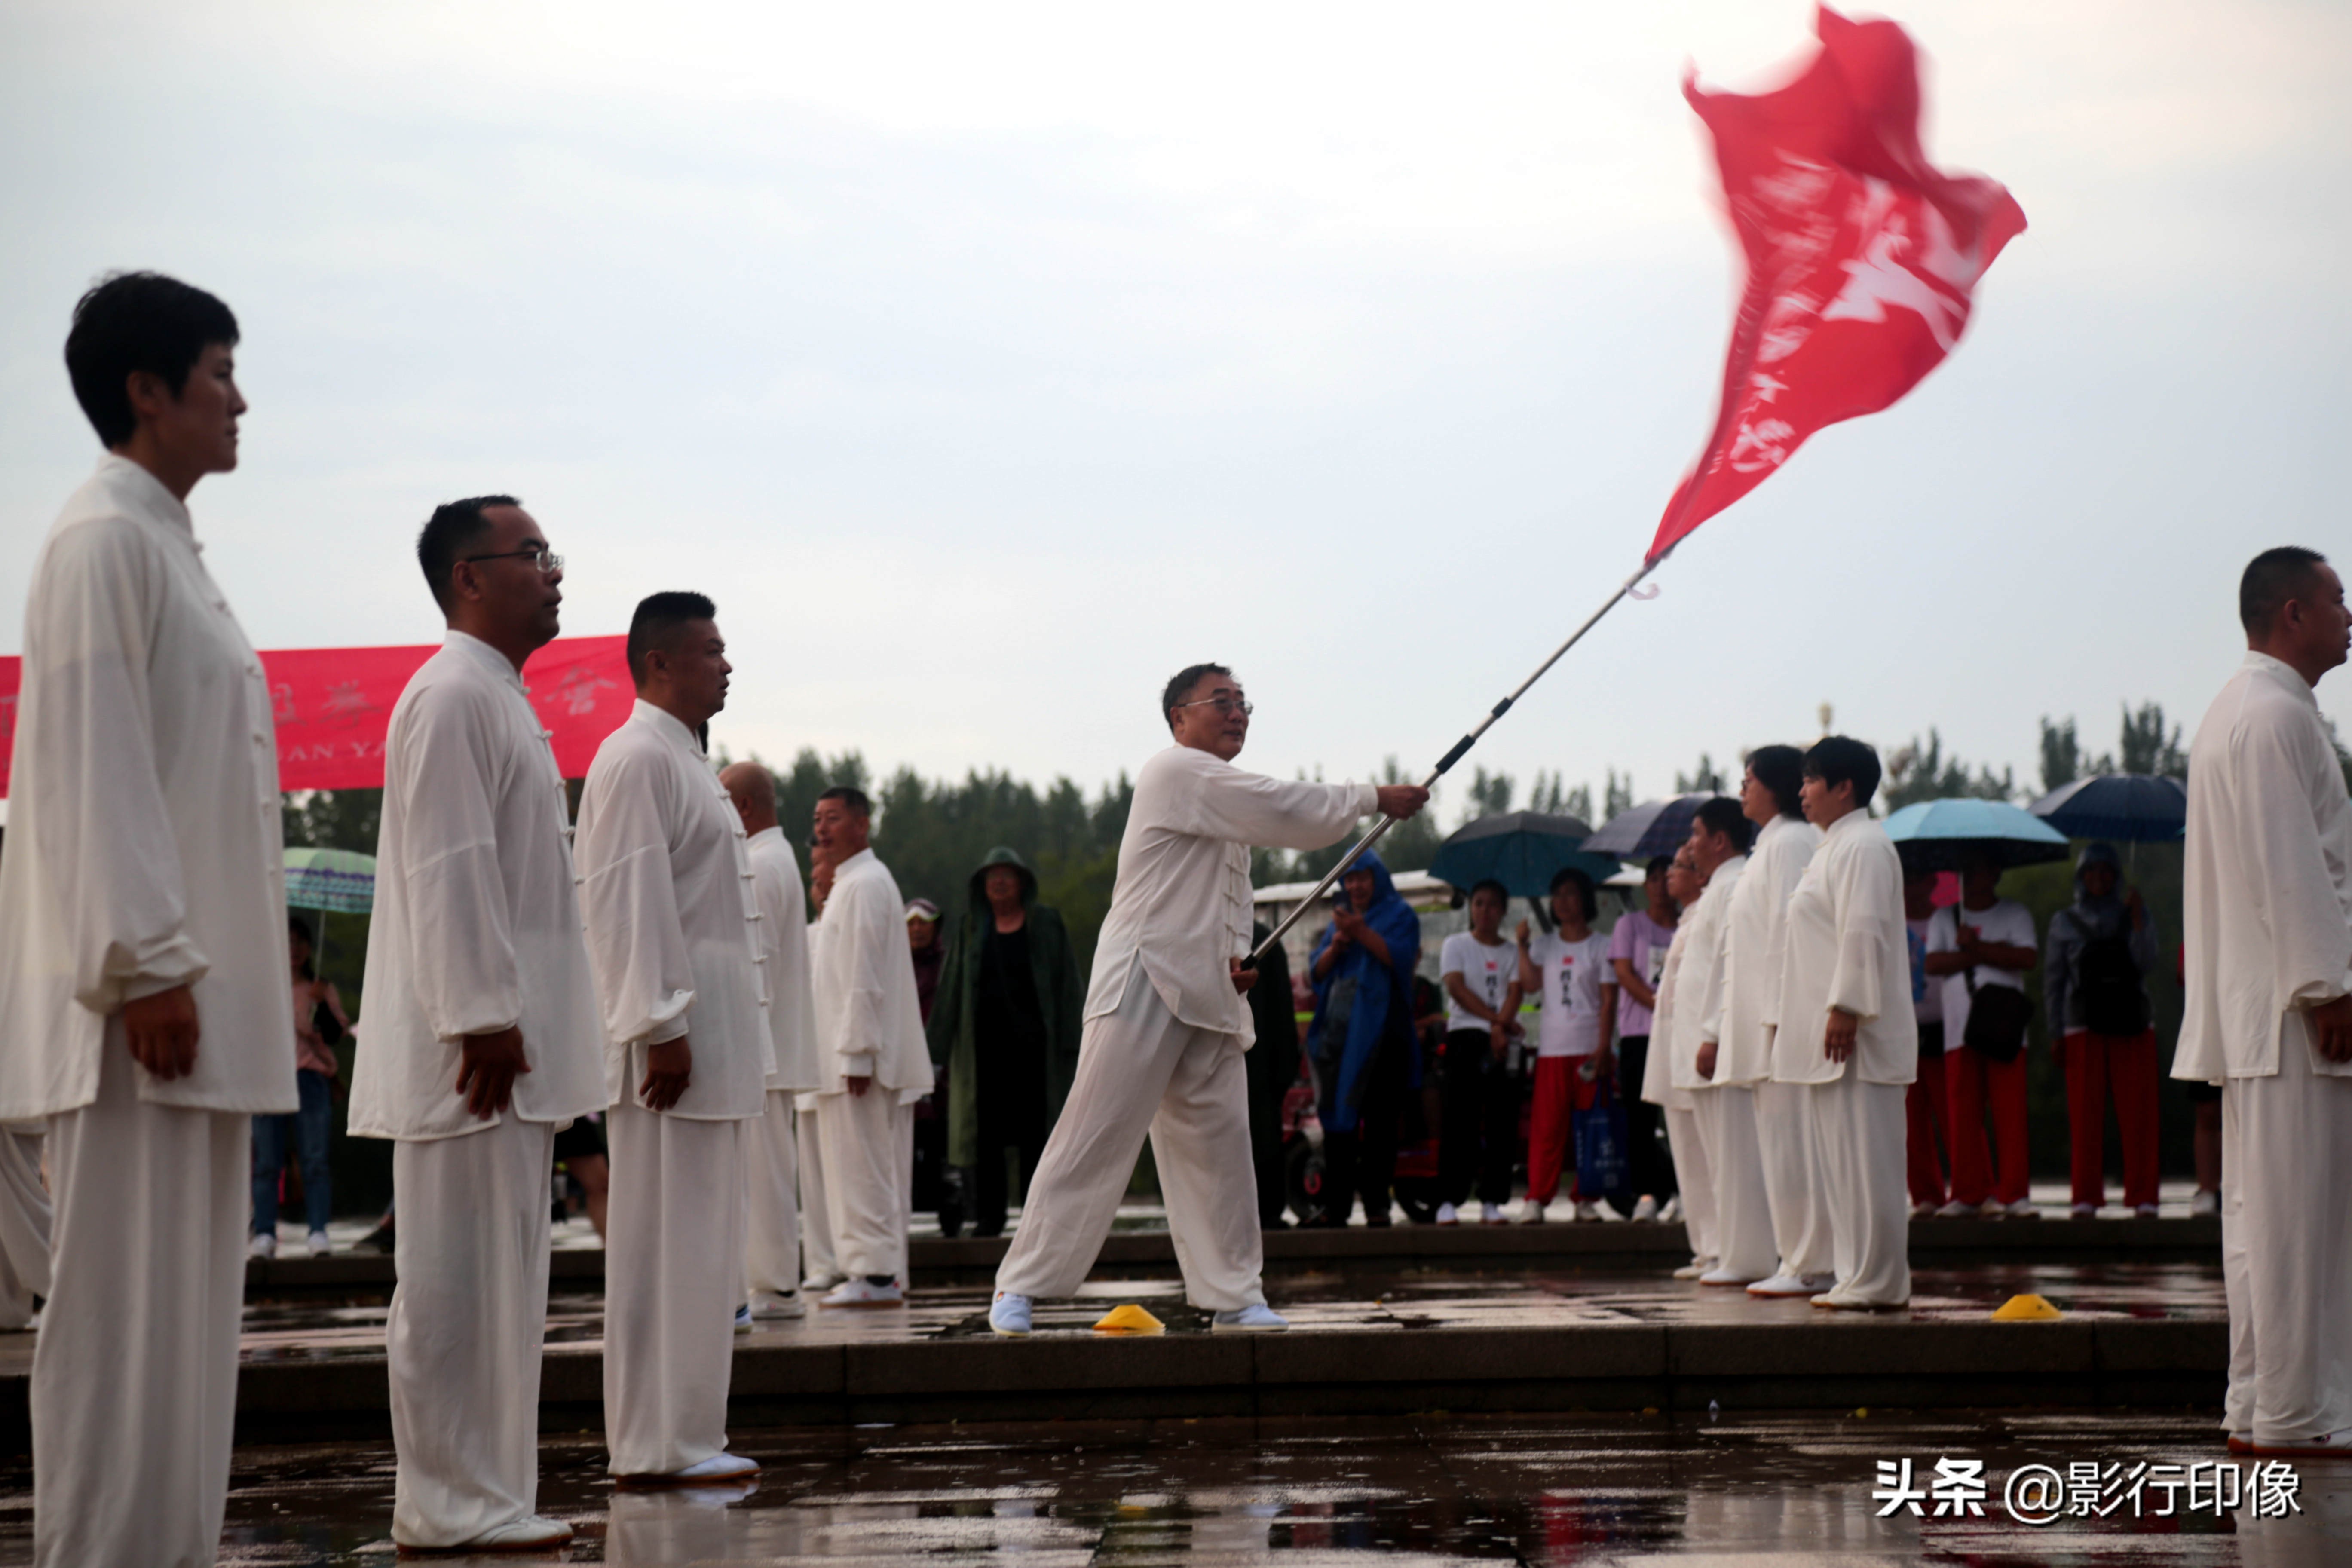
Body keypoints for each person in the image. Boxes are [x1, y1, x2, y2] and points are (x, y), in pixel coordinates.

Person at [0, 273, 297, 1568]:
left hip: (195, 1005)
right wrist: (148, 965)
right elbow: (87, 767)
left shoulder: (170, 543)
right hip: (137, 1012)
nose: (239, 397)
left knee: (187, 1329)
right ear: (146, 388)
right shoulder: (101, 539)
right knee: (123, 1326)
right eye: (219, 371)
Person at [988, 664, 1428, 1334]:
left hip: (1210, 995)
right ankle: (1020, 1286)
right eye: (1221, 701)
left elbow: (1222, 902)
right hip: (1142, 981)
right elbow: (1283, 807)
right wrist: (1371, 797)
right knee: (1096, 1134)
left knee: (1220, 1152)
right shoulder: (1174, 772)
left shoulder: (1223, 807)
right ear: (1178, 719)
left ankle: (1233, 1297)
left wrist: (1235, 962)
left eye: (1243, 702)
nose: (1237, 712)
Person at [346, 493, 610, 1552]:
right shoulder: (453, 693)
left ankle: (487, 1494)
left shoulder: (496, 695)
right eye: (532, 555)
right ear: (469, 577)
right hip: (474, 1056)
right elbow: (448, 866)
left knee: (504, 1290)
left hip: (508, 1048)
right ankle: (446, 1503)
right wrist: (479, 1016)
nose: (553, 571)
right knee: (455, 1293)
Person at [575, 592, 768, 1486]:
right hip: (674, 1051)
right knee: (662, 1248)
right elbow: (625, 896)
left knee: (702, 1249)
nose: (726, 664)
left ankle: (689, 1434)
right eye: (711, 651)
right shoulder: (634, 756)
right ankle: (653, 1442)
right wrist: (660, 1025)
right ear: (660, 662)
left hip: (715, 1043)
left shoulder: (689, 762)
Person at [2176, 546, 2352, 1457]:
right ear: (2292, 613)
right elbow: (2298, 868)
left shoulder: (2237, 711)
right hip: (2295, 1014)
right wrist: (2329, 986)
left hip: (2261, 1011)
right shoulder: (2276, 715)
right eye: (2337, 599)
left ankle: (2263, 1402)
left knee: (2262, 1227)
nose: (2348, 616)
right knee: (2302, 1229)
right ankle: (2299, 1413)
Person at [1772, 737, 1916, 1311]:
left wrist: (1846, 1007)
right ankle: (1856, 1275)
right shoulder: (1832, 848)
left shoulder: (1865, 846)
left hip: (1859, 1033)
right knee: (1842, 1164)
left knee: (1870, 1162)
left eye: (1811, 780)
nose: (1802, 791)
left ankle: (1881, 1279)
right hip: (1830, 1037)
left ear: (1844, 787)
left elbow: (1865, 930)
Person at [808, 787, 935, 1305]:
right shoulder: (849, 884)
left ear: (861, 824)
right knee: (850, 1168)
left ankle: (877, 1275)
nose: (822, 828)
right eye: (817, 819)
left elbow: (864, 977)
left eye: (833, 818)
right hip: (842, 1058)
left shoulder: (864, 884)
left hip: (857, 1061)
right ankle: (866, 1271)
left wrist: (857, 1051)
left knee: (864, 1168)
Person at [1716, 747, 1832, 1299]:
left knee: (1794, 1148)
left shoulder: (1790, 842)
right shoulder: (1771, 843)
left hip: (1781, 1019)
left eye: (1750, 780)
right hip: (1763, 1019)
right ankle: (1796, 1256)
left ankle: (1811, 1261)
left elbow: (1794, 936)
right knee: (1778, 1147)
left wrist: (1781, 1017)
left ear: (1776, 787)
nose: (1742, 789)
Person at [925, 848, 1082, 1239]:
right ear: (982, 885)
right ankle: (990, 1219)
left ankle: (1037, 1223)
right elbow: (950, 993)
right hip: (984, 1056)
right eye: (991, 875)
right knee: (987, 1141)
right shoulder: (969, 929)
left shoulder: (1046, 924)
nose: (999, 882)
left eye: (1007, 875)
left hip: (1035, 1056)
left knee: (1037, 1140)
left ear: (1022, 883)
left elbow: (1068, 986)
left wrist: (1075, 1043)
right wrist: (935, 1055)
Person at [719, 762, 822, 1321]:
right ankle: (776, 1283)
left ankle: (776, 1286)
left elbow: (757, 964)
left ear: (745, 809)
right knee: (769, 1175)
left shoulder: (758, 863)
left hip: (761, 1049)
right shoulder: (775, 858)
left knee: (763, 1179)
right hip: (770, 1046)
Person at [1675, 799, 1770, 1286]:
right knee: (1719, 1161)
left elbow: (1728, 969)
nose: (1690, 845)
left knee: (1736, 1159)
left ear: (1719, 839)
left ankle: (1747, 1256)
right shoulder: (1719, 887)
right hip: (1703, 1043)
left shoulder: (1734, 884)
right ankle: (1733, 1253)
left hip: (1720, 1044)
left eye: (1696, 833)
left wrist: (1712, 1033)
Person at [2046, 842, 2163, 1217]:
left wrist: (2139, 922)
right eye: (2091, 871)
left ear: (2115, 874)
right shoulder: (2064, 921)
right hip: (2082, 1023)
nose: (2098, 877)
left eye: (2105, 870)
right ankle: (2085, 1196)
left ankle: (2143, 1196)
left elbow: (2147, 962)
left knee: (2140, 1114)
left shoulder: (2134, 910)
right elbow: (2054, 980)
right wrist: (2055, 1032)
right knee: (2085, 1115)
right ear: (2082, 877)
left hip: (2132, 1021)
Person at [1307, 851, 1422, 1227]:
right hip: (1340, 1039)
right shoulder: (1339, 921)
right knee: (1337, 1123)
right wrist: (1336, 945)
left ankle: (1377, 1206)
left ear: (1378, 878)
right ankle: (1335, 1208)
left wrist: (1361, 933)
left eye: (1362, 878)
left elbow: (1401, 959)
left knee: (1380, 1124)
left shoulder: (1401, 915)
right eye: (1349, 879)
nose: (1355, 886)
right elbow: (1317, 973)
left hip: (1384, 1037)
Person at [1926, 853, 2039, 1219]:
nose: (1978, 874)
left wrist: (1973, 950)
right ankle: (1966, 1193)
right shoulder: (1945, 917)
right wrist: (1988, 954)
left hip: (2005, 1027)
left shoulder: (2015, 914)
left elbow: (2026, 957)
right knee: (1963, 1114)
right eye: (1970, 868)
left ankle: (2015, 1195)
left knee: (2010, 1114)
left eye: (1985, 866)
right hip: (1959, 1029)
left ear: (1996, 870)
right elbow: (1934, 963)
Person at [1515, 867, 1612, 1222]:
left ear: (1585, 900)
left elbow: (1608, 1002)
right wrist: (1523, 946)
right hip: (1553, 1049)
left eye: (1571, 894)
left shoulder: (1602, 945)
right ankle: (1537, 1199)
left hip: (1589, 1048)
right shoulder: (1544, 945)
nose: (1564, 902)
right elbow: (1529, 985)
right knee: (1548, 1127)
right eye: (1558, 896)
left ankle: (1585, 1198)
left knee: (1590, 1126)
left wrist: (1604, 1048)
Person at [252, 913, 349, 1259]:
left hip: (310, 1077)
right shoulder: (266, 985)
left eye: (300, 943)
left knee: (315, 1159)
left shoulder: (319, 988)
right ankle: (264, 1233)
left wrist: (321, 1004)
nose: (294, 950)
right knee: (266, 1161)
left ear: (309, 948)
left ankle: (318, 1231)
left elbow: (335, 1034)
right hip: (272, 1076)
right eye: (287, 943)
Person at [1642, 846, 1717, 1278]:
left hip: (1694, 1048)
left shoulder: (1704, 915)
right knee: (1687, 1153)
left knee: (1705, 1155)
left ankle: (1719, 1247)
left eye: (1679, 866)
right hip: (1673, 1044)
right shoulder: (1687, 921)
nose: (1670, 873)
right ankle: (1705, 1248)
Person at [1436, 879, 1526, 1225]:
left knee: (1502, 1122)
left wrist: (1500, 1028)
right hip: (1466, 1039)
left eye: (1491, 904)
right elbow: (1457, 989)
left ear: (1503, 910)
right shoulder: (1455, 945)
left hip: (1501, 1042)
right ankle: (1448, 1200)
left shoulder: (1511, 952)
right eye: (1478, 903)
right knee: (1460, 1120)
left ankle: (1493, 1200)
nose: (1484, 911)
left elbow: (1517, 991)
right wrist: (1498, 1024)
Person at [1608, 857, 1681, 1222]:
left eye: (1665, 877)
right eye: (1652, 878)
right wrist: (1659, 1004)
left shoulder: (1688, 924)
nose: (1659, 885)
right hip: (1640, 1034)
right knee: (1640, 1118)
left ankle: (1685, 1194)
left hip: (1680, 1033)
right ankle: (1647, 1194)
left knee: (1682, 1115)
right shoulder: (1630, 925)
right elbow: (1624, 973)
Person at [1901, 870, 1951, 1216]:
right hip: (1903, 1030)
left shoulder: (1946, 921)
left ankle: (1972, 1188)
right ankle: (1926, 1194)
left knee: (1954, 1114)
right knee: (1911, 1120)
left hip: (1944, 1026)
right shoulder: (1890, 921)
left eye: (1917, 879)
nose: (1910, 887)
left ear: (1932, 882)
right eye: (1905, 878)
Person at [1243, 922, 1300, 1228]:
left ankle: (1264, 1210)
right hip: (1261, 1065)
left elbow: (1281, 1008)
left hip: (1258, 1062)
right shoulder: (1265, 938)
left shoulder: (1263, 940)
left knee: (1259, 1136)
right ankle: (1267, 1211)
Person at [906, 900, 945, 1022]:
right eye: (910, 923)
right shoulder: (892, 968)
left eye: (923, 923)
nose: (917, 929)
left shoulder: (946, 967)